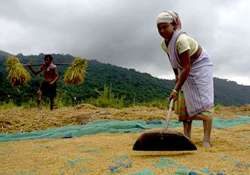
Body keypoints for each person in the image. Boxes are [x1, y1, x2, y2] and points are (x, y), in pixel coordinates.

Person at [156, 11, 214, 147]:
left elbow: (187, 67)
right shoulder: (164, 44)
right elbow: (174, 64)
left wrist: (175, 90)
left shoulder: (181, 40)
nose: (162, 30)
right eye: (159, 28)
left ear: (173, 25)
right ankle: (187, 137)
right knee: (183, 103)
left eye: (165, 26)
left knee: (203, 104)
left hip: (199, 66)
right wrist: (177, 84)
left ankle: (206, 139)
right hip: (184, 67)